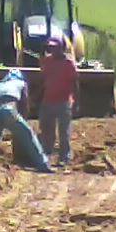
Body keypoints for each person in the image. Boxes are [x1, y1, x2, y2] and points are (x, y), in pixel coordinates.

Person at [0, 68, 52, 177]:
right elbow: (24, 104)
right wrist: (23, 119)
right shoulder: (21, 83)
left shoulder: (0, 84)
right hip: (9, 109)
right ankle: (43, 164)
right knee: (28, 134)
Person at [38, 37, 79, 167]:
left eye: (55, 47)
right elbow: (43, 79)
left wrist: (76, 101)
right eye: (50, 47)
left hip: (63, 102)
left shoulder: (69, 63)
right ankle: (46, 155)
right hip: (48, 100)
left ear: (61, 48)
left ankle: (64, 158)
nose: (52, 50)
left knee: (63, 132)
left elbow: (74, 83)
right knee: (46, 130)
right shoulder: (47, 61)